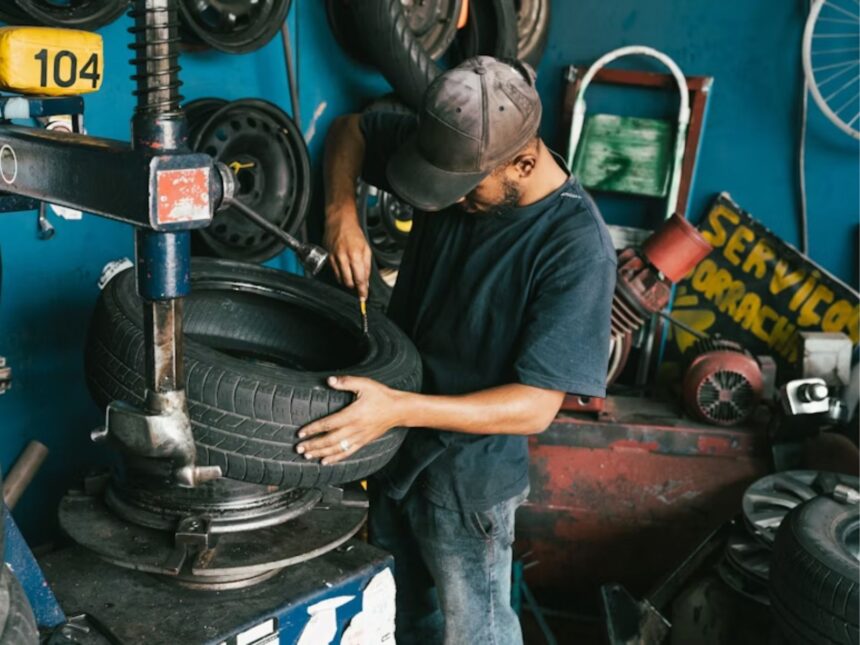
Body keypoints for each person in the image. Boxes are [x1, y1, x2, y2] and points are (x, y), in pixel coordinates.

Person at [297, 56, 616, 645]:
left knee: (477, 635)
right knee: (405, 620)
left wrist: (396, 408)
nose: (449, 200)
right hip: (392, 451)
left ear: (523, 161)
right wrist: (341, 212)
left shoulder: (576, 249)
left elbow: (534, 407)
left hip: (468, 485)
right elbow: (351, 130)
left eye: (466, 190)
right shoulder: (455, 153)